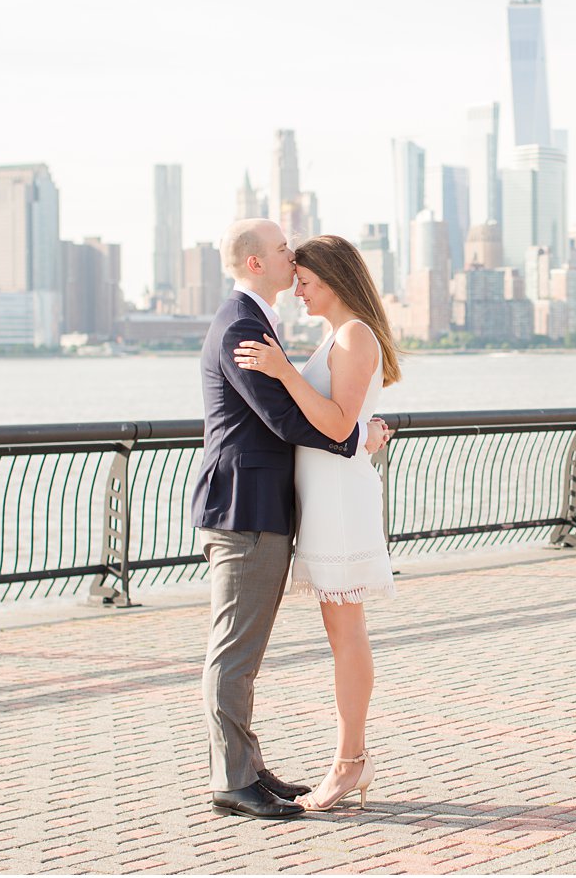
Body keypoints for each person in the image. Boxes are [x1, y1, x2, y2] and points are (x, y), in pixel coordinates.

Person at [192, 219, 390, 821]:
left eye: (303, 269)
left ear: (331, 280)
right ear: (257, 263)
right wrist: (356, 436)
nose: (294, 269)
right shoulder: (243, 327)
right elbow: (287, 419)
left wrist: (353, 433)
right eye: (284, 254)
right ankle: (237, 777)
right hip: (247, 508)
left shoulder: (269, 328)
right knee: (236, 650)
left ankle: (261, 768)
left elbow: (318, 413)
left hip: (294, 506)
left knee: (268, 645)